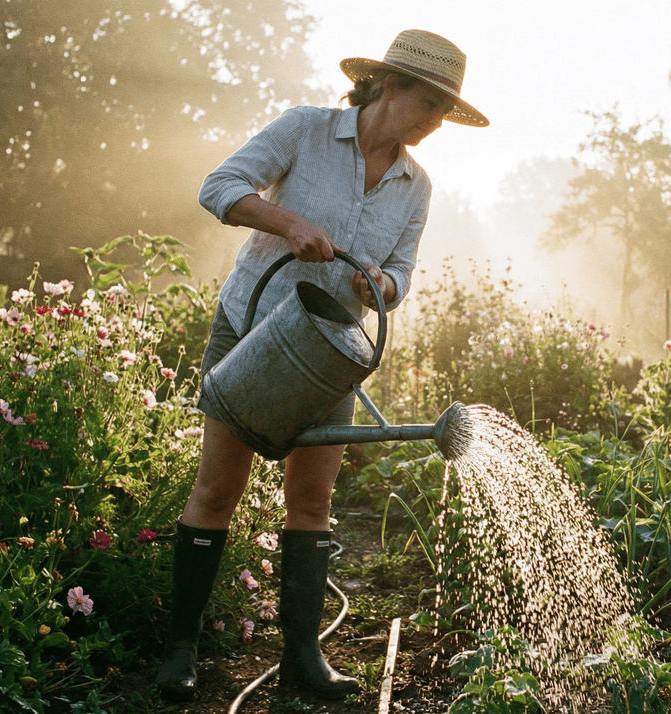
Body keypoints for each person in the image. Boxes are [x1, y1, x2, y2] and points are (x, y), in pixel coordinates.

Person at [154, 29, 488, 701]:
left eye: (441, 115)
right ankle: (179, 650)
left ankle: (304, 656)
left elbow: (401, 270)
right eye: (425, 106)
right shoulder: (307, 131)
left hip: (329, 353)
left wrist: (381, 287)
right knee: (218, 490)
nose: (430, 125)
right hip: (251, 328)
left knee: (311, 499)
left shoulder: (415, 185)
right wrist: (289, 224)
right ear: (388, 86)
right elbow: (219, 187)